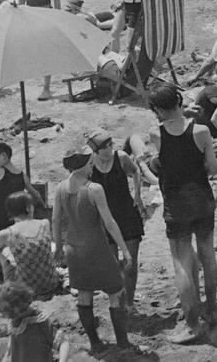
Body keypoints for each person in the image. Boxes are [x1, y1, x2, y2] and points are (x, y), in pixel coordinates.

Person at [148, 83, 217, 341]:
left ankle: (192, 323)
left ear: (157, 109)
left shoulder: (156, 135)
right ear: (179, 101)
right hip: (202, 199)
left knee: (181, 262)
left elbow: (159, 162)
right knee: (207, 254)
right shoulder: (201, 131)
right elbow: (214, 169)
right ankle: (211, 311)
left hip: (176, 204)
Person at [51, 144, 132, 353]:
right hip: (96, 247)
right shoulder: (94, 189)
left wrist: (59, 248)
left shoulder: (60, 188)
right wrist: (124, 248)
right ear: (83, 166)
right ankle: (123, 343)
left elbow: (56, 221)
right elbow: (110, 223)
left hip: (73, 248)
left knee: (84, 295)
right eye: (90, 164)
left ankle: (95, 343)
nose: (92, 168)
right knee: (116, 292)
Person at [85, 128, 146, 310]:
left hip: (126, 215)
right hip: (104, 219)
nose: (110, 149)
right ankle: (119, 298)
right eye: (105, 147)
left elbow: (136, 172)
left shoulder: (121, 158)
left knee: (131, 264)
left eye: (111, 144)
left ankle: (129, 303)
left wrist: (138, 195)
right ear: (96, 151)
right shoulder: (90, 165)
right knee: (112, 264)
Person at [0, 191, 59, 299]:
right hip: (51, 283)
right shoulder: (45, 223)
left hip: (23, 290)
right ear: (29, 208)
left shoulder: (7, 233)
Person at [15, 0, 61, 100]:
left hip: (45, 15)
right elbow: (21, 0)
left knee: (45, 52)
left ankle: (46, 87)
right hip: (30, 16)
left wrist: (57, 18)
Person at [0, 281, 71, 362]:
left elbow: (63, 342)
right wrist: (7, 355)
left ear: (16, 308)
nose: (3, 316)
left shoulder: (39, 322)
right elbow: (14, 343)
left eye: (4, 312)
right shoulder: (15, 321)